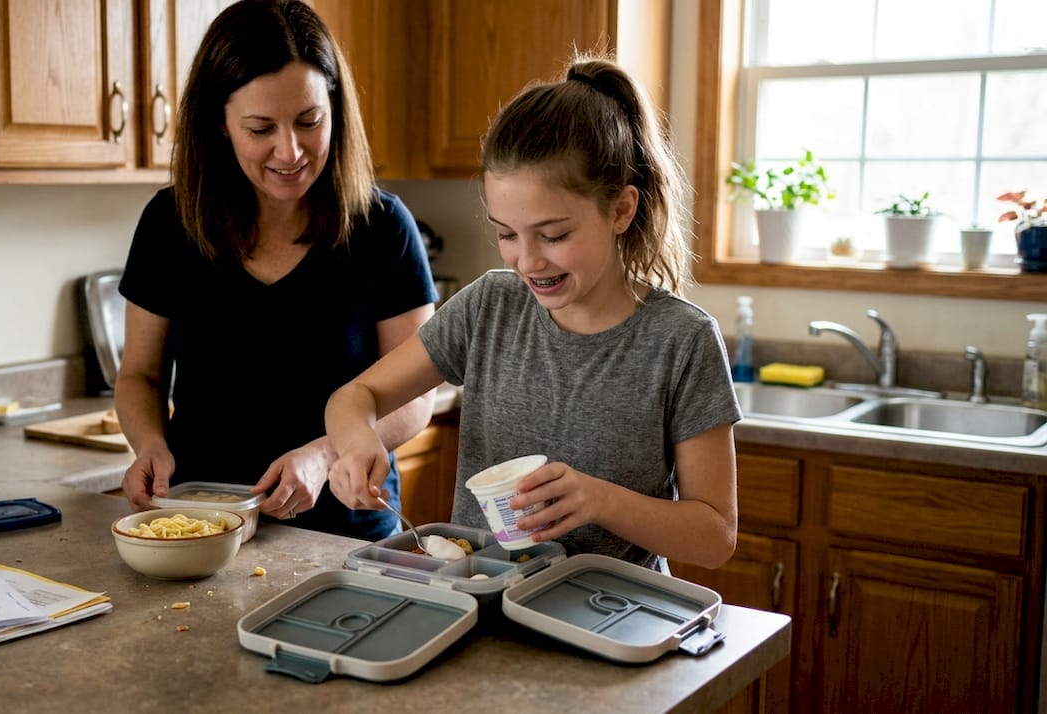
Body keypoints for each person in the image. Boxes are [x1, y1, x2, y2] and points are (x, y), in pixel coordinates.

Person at [325, 56, 741, 570]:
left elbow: (716, 537)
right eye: (506, 234)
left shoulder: (682, 340)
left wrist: (599, 499)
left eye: (554, 235)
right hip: (483, 603)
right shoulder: (490, 307)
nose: (527, 260)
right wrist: (356, 442)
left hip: (609, 622)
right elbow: (354, 397)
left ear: (620, 210)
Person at [115, 0, 437, 541]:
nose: (290, 151)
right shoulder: (170, 224)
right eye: (260, 128)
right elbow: (140, 376)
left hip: (348, 532)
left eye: (309, 121)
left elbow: (416, 395)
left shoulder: (383, 227)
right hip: (203, 526)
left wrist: (326, 451)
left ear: (334, 109)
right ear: (219, 123)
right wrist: (150, 445)